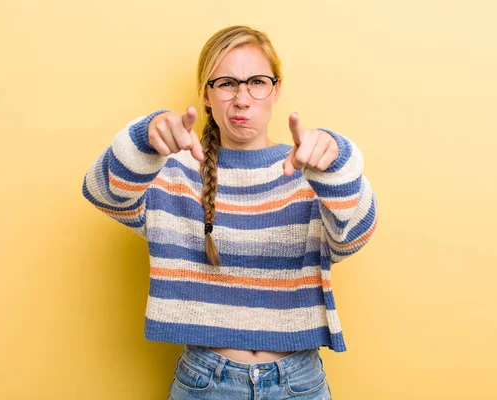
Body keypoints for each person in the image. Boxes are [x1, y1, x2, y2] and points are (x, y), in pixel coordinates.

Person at [82, 25, 378, 399]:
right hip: (205, 383)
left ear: (276, 89)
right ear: (206, 94)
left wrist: (337, 163)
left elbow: (355, 236)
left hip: (298, 382)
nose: (242, 99)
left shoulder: (308, 168)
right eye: (226, 83)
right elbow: (102, 193)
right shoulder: (174, 171)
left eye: (256, 81)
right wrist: (145, 138)